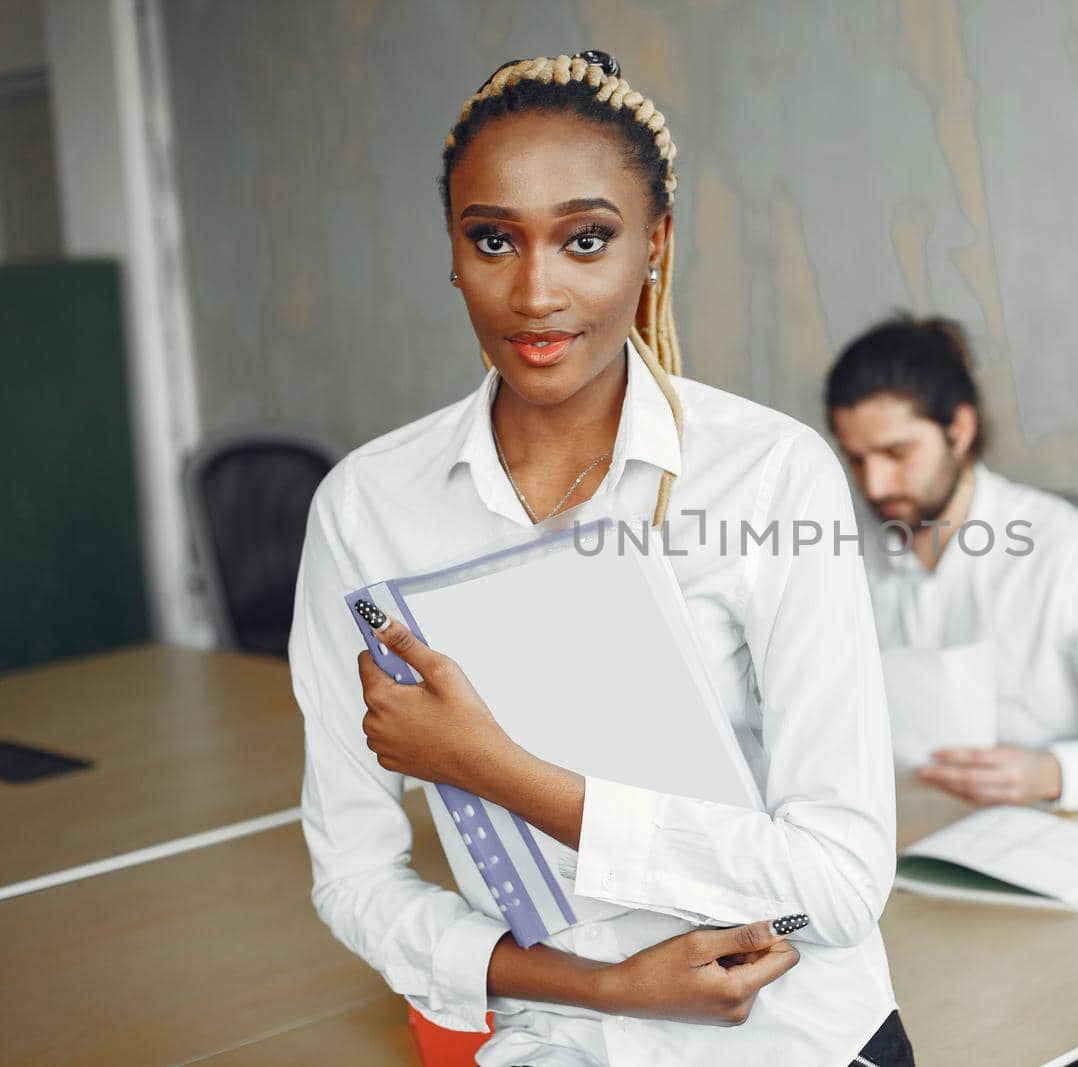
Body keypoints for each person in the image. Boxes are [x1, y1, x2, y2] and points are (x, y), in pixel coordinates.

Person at [289, 53, 912, 1066]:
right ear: (452, 250)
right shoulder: (366, 509)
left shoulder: (767, 477)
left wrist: (493, 769)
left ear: (655, 244)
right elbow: (354, 878)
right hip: (556, 1044)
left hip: (796, 1044)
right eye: (493, 239)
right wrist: (603, 985)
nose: (536, 291)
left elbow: (835, 890)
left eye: (586, 239)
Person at [826, 314, 1078, 812]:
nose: (875, 484)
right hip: (891, 848)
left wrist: (1050, 773)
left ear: (959, 431)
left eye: (897, 453)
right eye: (855, 459)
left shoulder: (1069, 552)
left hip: (1052, 841)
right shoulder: (836, 553)